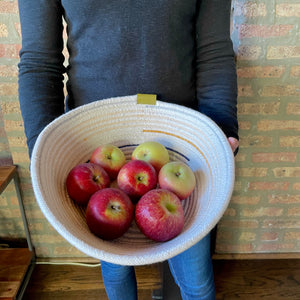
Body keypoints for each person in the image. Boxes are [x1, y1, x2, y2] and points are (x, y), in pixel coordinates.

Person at [18, 0, 239, 299]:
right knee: (116, 269)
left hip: (183, 145)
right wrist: (42, 151)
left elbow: (213, 52)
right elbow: (40, 62)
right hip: (96, 154)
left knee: (196, 280)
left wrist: (222, 130)